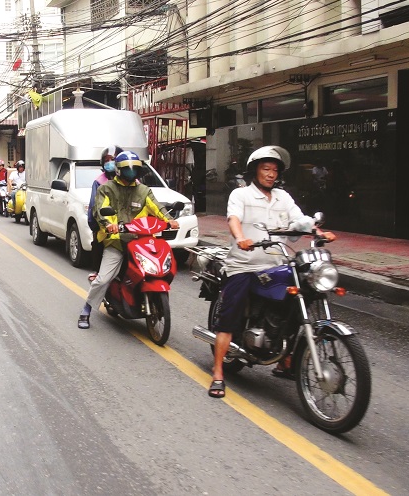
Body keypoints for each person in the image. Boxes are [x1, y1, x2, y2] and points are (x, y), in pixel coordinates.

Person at [207, 146, 335, 399]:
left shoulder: (283, 197)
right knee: (230, 317)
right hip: (244, 264)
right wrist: (240, 238)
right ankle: (218, 371)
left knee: (300, 296)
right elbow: (234, 219)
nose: (270, 174)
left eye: (274, 170)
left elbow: (299, 220)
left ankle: (284, 358)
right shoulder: (241, 194)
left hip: (277, 263)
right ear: (255, 170)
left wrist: (318, 231)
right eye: (266, 169)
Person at [78, 151, 180, 329]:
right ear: (118, 170)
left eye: (134, 169)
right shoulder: (106, 189)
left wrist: (169, 220)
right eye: (127, 169)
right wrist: (109, 225)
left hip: (140, 241)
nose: (131, 172)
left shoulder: (143, 191)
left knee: (157, 267)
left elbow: (157, 207)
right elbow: (100, 210)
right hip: (116, 241)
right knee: (103, 279)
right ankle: (86, 310)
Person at [87, 145, 122, 274]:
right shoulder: (99, 182)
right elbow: (94, 206)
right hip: (106, 228)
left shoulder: (133, 181)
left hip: (127, 228)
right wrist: (96, 227)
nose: (109, 162)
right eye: (106, 160)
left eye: (112, 159)